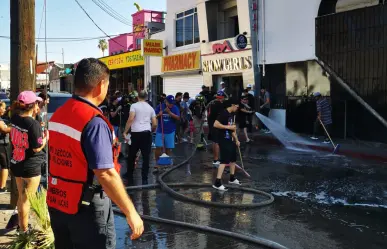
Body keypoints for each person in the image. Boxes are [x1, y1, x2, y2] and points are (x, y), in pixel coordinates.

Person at [47, 58, 143, 249]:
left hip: (58, 202)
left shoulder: (59, 113)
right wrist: (131, 212)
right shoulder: (94, 121)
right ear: (100, 85)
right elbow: (105, 172)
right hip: (87, 208)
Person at [10, 91, 47, 233]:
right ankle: (24, 230)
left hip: (17, 161)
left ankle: (21, 226)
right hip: (30, 166)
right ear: (33, 105)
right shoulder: (33, 124)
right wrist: (45, 139)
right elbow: (37, 148)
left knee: (22, 196)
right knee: (27, 200)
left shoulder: (14, 117)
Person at [123, 90, 157, 185]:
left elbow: (130, 119)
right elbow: (154, 123)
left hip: (135, 134)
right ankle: (144, 178)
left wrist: (125, 131)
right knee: (146, 157)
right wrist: (152, 130)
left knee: (132, 155)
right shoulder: (150, 108)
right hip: (146, 133)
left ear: (138, 96)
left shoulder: (134, 106)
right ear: (146, 97)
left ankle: (129, 175)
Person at [213, 100, 241, 191]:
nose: (237, 108)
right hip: (223, 139)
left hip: (230, 139)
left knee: (233, 158)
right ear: (233, 105)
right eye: (237, 106)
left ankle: (232, 178)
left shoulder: (231, 115)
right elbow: (215, 124)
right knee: (224, 160)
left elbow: (232, 130)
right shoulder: (224, 113)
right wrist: (228, 127)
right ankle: (217, 182)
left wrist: (237, 140)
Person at [154, 95, 180, 166]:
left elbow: (178, 118)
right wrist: (159, 115)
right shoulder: (160, 106)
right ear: (166, 102)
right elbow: (154, 116)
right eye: (170, 103)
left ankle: (166, 162)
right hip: (160, 131)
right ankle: (157, 163)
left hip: (170, 131)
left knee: (168, 148)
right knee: (158, 147)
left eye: (172, 103)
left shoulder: (175, 108)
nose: (171, 104)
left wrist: (170, 113)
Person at [207, 91, 226, 166]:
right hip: (216, 124)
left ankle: (215, 159)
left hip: (211, 124)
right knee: (217, 142)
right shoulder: (220, 104)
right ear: (222, 97)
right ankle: (216, 159)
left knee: (214, 141)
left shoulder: (212, 103)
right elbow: (222, 116)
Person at [0, 101, 11, 192]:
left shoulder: (1, 118)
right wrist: (14, 127)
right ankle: (2, 187)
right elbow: (4, 129)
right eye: (2, 108)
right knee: (5, 165)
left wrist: (7, 111)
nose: (4, 109)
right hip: (2, 145)